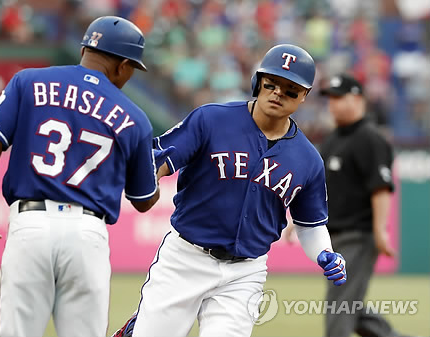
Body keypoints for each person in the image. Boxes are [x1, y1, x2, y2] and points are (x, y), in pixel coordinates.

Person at [111, 44, 347, 337]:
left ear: (304, 96)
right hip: (186, 257)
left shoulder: (308, 160)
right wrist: (150, 176)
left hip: (245, 272)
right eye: (271, 83)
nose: (277, 93)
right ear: (257, 82)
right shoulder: (211, 119)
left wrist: (326, 253)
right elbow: (160, 159)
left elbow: (310, 225)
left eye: (290, 89)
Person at [0, 16, 161, 337]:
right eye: (131, 69)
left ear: (85, 49)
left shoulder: (27, 81)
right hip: (87, 234)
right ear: (123, 65)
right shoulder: (135, 118)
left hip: (31, 226)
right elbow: (143, 200)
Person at [319, 74, 405, 337]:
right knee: (351, 307)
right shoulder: (333, 140)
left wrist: (380, 230)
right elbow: (316, 187)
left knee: (339, 306)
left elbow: (380, 189)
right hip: (335, 238)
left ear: (357, 99)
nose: (332, 104)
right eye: (330, 98)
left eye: (339, 97)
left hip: (358, 235)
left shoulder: (370, 138)